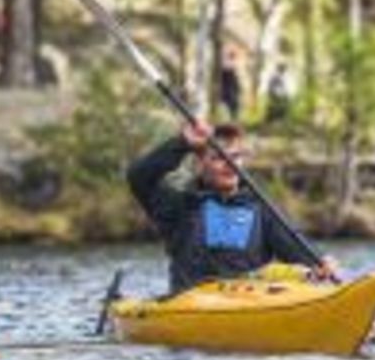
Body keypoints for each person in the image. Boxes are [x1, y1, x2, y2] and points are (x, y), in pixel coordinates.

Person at [127, 121, 339, 293]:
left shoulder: (261, 209)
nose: (231, 165)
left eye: (236, 157)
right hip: (193, 306)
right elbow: (138, 177)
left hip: (249, 302)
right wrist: (182, 143)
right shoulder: (179, 206)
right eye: (220, 157)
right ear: (200, 164)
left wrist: (320, 262)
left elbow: (296, 249)